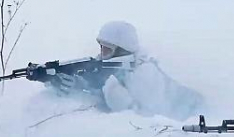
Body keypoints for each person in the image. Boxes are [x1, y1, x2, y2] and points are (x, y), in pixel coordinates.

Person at [51, 21, 204, 121]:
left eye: (107, 49)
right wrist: (77, 84)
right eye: (101, 47)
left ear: (122, 50)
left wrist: (123, 103)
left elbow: (156, 119)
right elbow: (96, 87)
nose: (102, 54)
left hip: (194, 114)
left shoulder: (143, 73)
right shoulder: (117, 69)